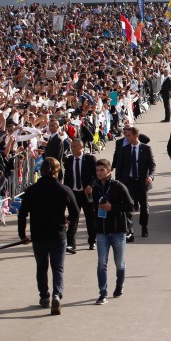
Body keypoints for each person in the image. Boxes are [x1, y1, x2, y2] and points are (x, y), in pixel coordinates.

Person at [18, 157, 78, 315]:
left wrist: (22, 234)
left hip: (39, 234)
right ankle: (57, 294)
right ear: (58, 171)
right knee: (58, 267)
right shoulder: (64, 190)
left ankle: (44, 296)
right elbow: (76, 213)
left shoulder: (32, 190)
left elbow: (22, 214)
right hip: (58, 234)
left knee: (41, 267)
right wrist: (68, 223)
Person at [91, 159, 134, 305]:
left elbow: (130, 206)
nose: (99, 173)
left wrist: (113, 207)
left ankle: (120, 284)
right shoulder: (95, 187)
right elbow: (92, 207)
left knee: (119, 264)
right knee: (101, 263)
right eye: (97, 171)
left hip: (117, 230)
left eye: (102, 170)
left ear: (109, 171)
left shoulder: (118, 186)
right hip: (102, 231)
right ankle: (103, 293)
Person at [114, 126, 155, 237]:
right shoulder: (124, 150)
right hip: (128, 182)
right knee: (128, 206)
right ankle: (130, 230)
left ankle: (144, 226)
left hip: (142, 182)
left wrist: (151, 176)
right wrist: (118, 183)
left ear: (136, 135)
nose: (126, 138)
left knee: (144, 206)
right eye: (126, 136)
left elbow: (152, 165)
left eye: (129, 135)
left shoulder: (146, 149)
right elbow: (120, 167)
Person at [63, 139, 97, 251]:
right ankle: (71, 244)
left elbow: (96, 176)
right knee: (73, 218)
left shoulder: (90, 159)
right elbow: (67, 178)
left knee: (90, 219)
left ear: (81, 147)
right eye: (71, 146)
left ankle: (92, 241)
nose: (72, 149)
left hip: (86, 194)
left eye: (74, 146)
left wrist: (91, 186)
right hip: (74, 194)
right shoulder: (68, 160)